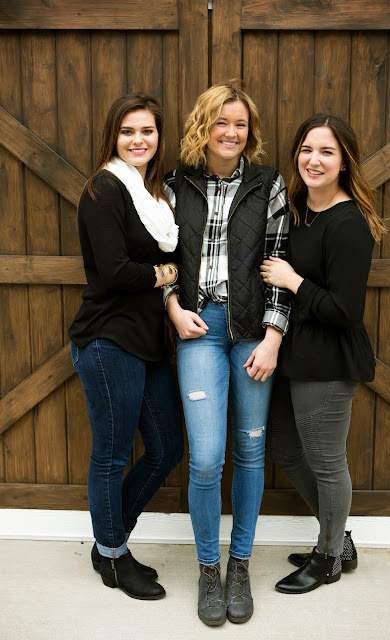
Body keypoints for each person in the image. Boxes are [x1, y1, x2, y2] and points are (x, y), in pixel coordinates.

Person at [163, 81, 290, 625]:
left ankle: (240, 564)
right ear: (203, 125)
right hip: (200, 330)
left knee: (250, 450)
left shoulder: (269, 184)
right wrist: (172, 307)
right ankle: (208, 568)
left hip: (254, 334)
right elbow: (161, 258)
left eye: (240, 123)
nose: (231, 132)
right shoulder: (175, 184)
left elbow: (280, 264)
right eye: (221, 122)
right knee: (207, 457)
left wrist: (274, 337)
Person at [261, 113, 386, 594]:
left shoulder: (349, 222)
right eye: (307, 150)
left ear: (344, 161)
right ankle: (338, 536)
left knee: (328, 462)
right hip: (292, 354)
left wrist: (293, 281)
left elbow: (345, 311)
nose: (314, 160)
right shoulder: (294, 209)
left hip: (329, 361)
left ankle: (328, 557)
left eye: (327, 152)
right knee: (285, 448)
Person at [69, 93, 183, 600]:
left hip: (147, 339)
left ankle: (108, 540)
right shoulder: (104, 189)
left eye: (148, 131)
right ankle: (114, 557)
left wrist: (164, 276)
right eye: (128, 131)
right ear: (113, 137)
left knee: (166, 448)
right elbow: (115, 272)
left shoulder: (155, 197)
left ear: (159, 137)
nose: (139, 140)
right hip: (108, 339)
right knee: (112, 456)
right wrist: (167, 273)